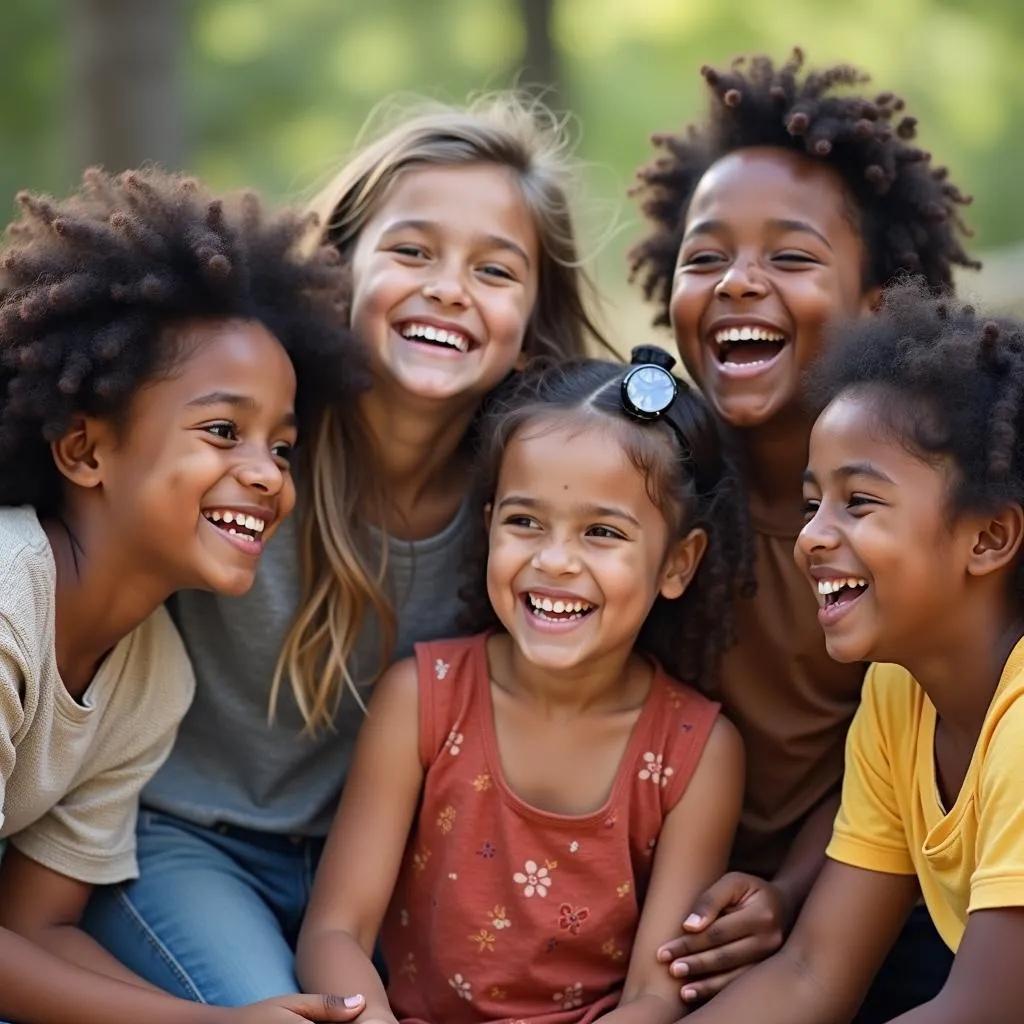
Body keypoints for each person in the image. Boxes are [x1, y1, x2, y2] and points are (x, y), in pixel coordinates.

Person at [83, 94, 612, 1005]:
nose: (448, 287)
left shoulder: (526, 515)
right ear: (339, 271)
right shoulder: (253, 454)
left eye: (495, 270)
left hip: (381, 874)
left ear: (533, 322)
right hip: (184, 840)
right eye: (412, 251)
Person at [628, 50, 978, 1018]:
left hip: (887, 895)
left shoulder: (925, 530)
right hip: (662, 907)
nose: (740, 281)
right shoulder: (649, 487)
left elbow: (900, 746)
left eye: (790, 256)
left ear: (878, 303)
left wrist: (787, 889)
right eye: (706, 257)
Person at [0, 168, 369, 1023]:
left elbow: (37, 926)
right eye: (222, 431)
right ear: (86, 451)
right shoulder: (10, 604)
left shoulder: (151, 671)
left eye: (282, 447)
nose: (266, 475)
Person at [296, 347, 750, 1024]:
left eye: (602, 532)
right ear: (488, 528)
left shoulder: (697, 753)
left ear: (677, 563)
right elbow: (335, 931)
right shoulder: (421, 699)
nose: (554, 560)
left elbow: (655, 996)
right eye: (524, 522)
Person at [684, 282, 1024, 1023]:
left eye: (859, 502)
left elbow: (977, 1011)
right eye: (812, 504)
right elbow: (810, 975)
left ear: (990, 537)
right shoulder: (899, 695)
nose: (811, 537)